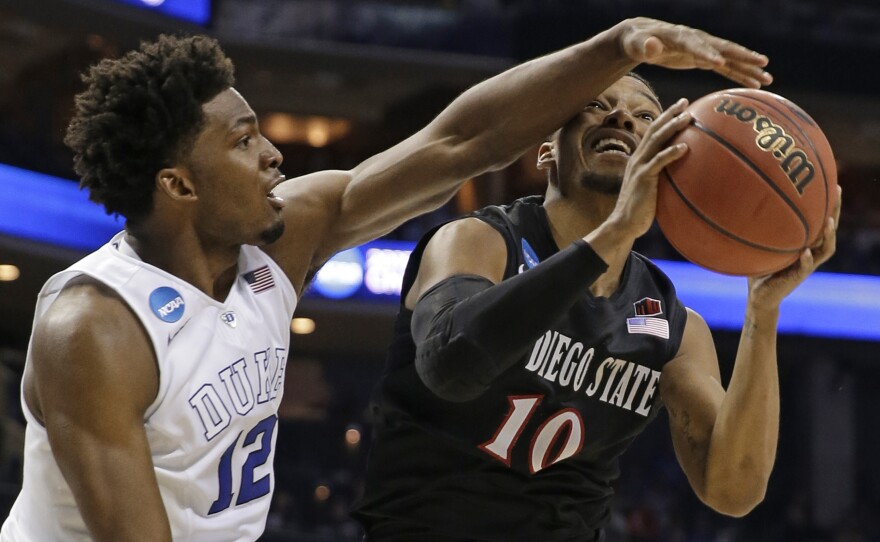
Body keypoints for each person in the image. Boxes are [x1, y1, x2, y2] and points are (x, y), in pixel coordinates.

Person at [0, 18, 774, 542]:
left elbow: (461, 142)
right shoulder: (95, 327)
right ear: (178, 186)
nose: (274, 155)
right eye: (244, 143)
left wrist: (616, 44)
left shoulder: (282, 240)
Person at [352, 58, 841, 542]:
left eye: (646, 116)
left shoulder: (672, 325)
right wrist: (617, 231)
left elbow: (732, 490)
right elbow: (449, 364)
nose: (622, 117)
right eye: (594, 105)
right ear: (546, 151)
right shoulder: (479, 242)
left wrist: (763, 310)